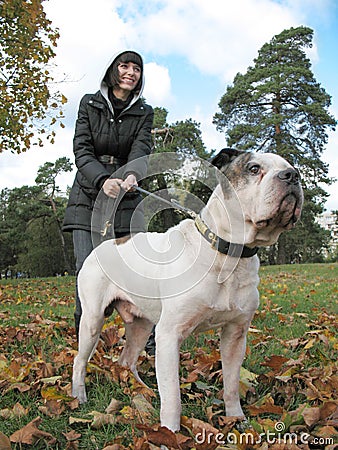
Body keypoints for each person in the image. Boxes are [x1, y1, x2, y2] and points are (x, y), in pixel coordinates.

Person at [62, 50, 154, 339]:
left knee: (138, 269)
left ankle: (146, 340)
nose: (130, 72)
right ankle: (85, 336)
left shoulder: (144, 112)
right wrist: (102, 180)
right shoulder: (89, 103)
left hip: (126, 199)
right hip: (88, 195)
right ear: (113, 71)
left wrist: (132, 174)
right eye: (124, 66)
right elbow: (82, 149)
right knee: (87, 269)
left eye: (136, 68)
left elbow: (142, 148)